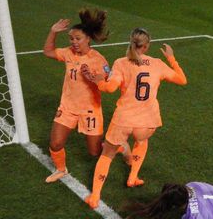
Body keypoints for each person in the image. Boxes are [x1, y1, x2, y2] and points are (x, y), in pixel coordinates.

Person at [81, 29, 188, 209]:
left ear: (131, 42)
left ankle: (95, 196)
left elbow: (110, 88)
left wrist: (99, 81)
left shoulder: (121, 63)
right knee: (142, 142)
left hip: (124, 119)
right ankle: (133, 177)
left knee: (107, 156)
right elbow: (182, 80)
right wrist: (171, 58)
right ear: (147, 46)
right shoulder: (157, 63)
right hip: (147, 120)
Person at [42, 9, 114, 183]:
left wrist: (93, 78)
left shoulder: (98, 59)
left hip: (90, 110)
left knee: (94, 152)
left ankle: (118, 147)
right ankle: (61, 169)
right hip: (67, 107)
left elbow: (110, 80)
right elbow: (48, 52)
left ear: (88, 38)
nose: (74, 42)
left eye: (78, 38)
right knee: (55, 144)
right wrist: (53, 31)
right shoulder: (68, 53)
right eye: (71, 38)